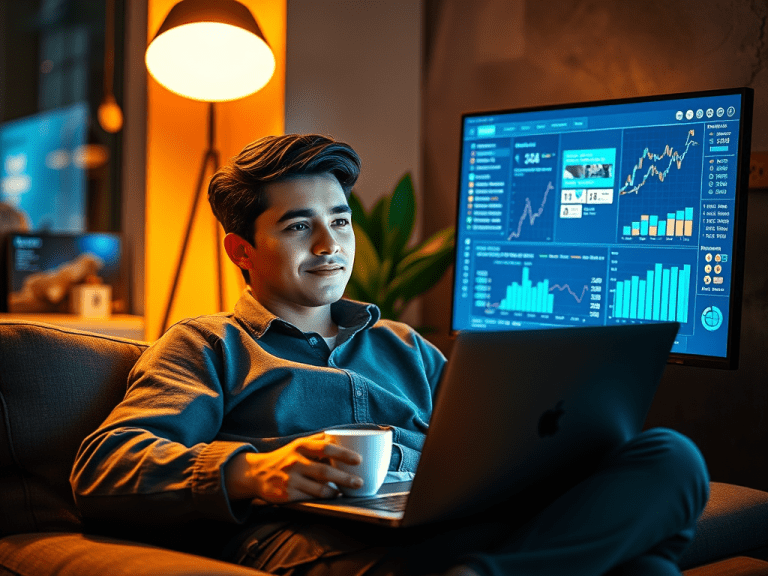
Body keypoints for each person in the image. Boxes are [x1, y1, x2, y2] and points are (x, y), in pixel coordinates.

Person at [71, 134, 710, 576]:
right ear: (242, 251)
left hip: (452, 523)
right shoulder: (208, 345)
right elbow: (103, 467)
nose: (330, 243)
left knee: (671, 457)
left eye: (341, 220)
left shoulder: (403, 345)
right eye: (298, 226)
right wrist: (253, 472)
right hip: (314, 535)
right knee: (642, 556)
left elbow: (488, 444)